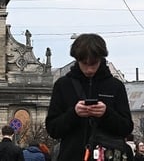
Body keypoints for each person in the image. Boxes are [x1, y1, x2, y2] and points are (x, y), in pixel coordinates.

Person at [45, 33, 134, 161]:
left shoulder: (115, 86)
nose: (89, 69)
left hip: (107, 154)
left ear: (101, 59)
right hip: (72, 155)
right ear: (77, 59)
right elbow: (53, 129)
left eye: (93, 63)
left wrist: (106, 113)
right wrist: (74, 114)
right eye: (84, 63)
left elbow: (126, 128)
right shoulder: (63, 85)